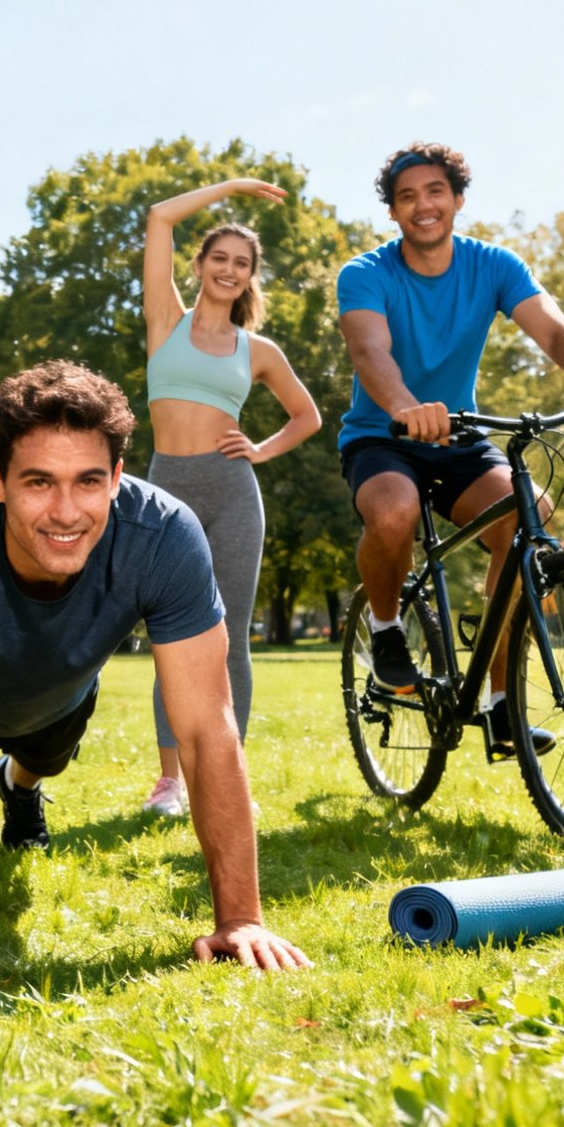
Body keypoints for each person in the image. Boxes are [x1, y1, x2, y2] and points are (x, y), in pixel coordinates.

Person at [0, 361, 312, 981]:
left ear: (116, 477)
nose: (66, 512)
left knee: (42, 759)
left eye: (88, 481)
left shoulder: (164, 535)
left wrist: (241, 917)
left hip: (58, 699)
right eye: (38, 482)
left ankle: (20, 787)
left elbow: (205, 731)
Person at [337, 142, 564, 757]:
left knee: (528, 517)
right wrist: (405, 406)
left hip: (461, 437)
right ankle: (385, 627)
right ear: (394, 213)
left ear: (456, 200)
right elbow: (369, 351)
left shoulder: (494, 266)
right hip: (384, 436)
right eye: (408, 197)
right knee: (395, 512)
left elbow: (556, 330)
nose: (423, 206)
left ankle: (502, 702)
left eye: (435, 192)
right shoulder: (366, 273)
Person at [136, 179, 321, 816]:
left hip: (233, 492)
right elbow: (160, 215)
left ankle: (224, 775)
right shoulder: (166, 321)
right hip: (168, 490)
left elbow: (307, 417)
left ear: (250, 279)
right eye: (220, 258)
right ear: (200, 265)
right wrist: (236, 189)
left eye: (242, 264)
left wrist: (262, 450)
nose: (230, 270)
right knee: (172, 633)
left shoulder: (257, 350)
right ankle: (171, 782)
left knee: (228, 637)